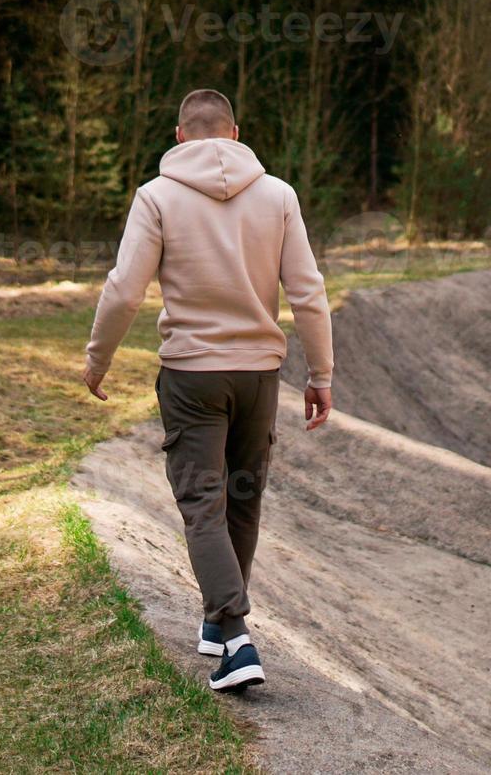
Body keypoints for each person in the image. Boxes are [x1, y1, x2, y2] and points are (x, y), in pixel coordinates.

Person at [82, 88, 334, 692]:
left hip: (193, 376)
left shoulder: (157, 197)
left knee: (202, 504)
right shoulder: (278, 195)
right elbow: (307, 291)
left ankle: (237, 637)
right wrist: (321, 374)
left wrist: (98, 359)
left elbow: (123, 290)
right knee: (240, 501)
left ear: (179, 137)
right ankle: (217, 624)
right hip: (258, 377)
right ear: (235, 133)